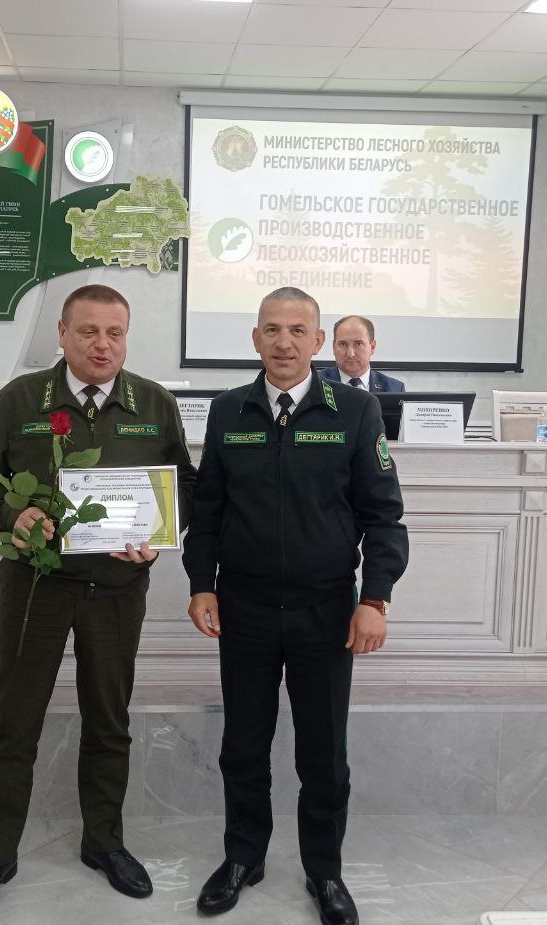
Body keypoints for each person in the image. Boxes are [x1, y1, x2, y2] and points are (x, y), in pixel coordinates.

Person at [0, 284, 197, 922]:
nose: (103, 345)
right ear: (62, 334)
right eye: (89, 331)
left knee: (108, 719)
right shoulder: (20, 399)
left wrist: (157, 538)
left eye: (115, 333)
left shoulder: (155, 403)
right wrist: (11, 514)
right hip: (36, 587)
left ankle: (104, 843)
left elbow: (186, 488)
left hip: (116, 589)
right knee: (14, 722)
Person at [182, 287, 409, 925]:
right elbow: (208, 510)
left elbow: (383, 517)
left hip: (325, 611)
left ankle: (324, 871)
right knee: (242, 745)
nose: (284, 342)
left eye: (297, 330)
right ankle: (243, 858)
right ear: (255, 338)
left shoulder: (357, 411)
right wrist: (201, 583)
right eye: (272, 329)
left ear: (318, 341)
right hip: (244, 608)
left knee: (323, 753)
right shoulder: (228, 410)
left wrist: (375, 598)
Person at [320, 315, 404, 392]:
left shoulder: (394, 388)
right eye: (343, 344)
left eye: (358, 344)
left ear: (372, 347)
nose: (350, 354)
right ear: (334, 347)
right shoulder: (316, 383)